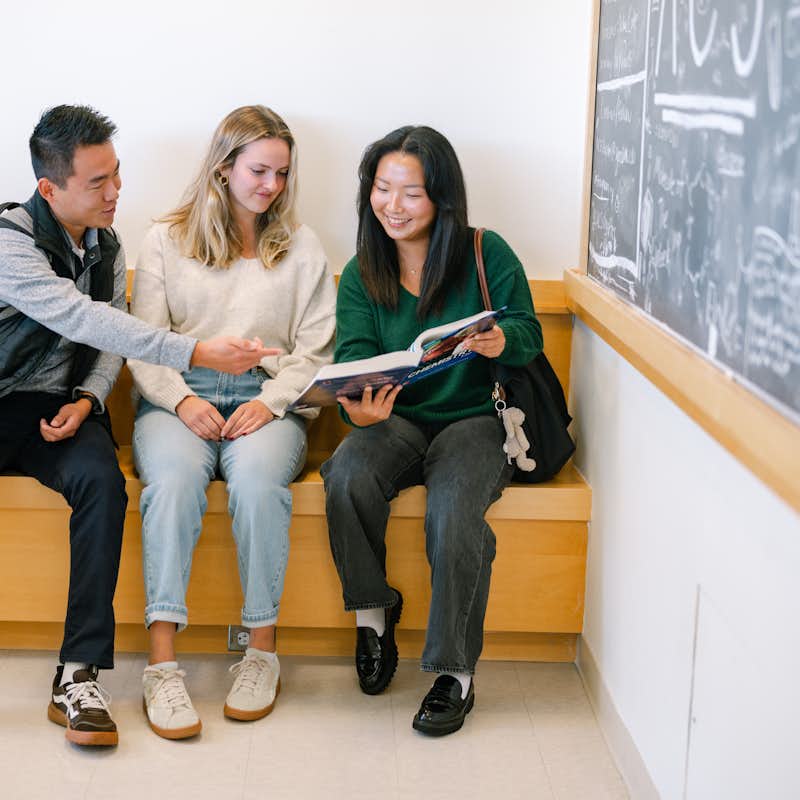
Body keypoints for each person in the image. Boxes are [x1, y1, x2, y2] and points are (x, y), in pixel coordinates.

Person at [0, 105, 274, 748]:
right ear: (49, 188)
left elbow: (107, 341)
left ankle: (78, 674)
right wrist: (198, 352)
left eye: (116, 176)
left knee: (103, 482)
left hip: (58, 406)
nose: (115, 192)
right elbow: (81, 318)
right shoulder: (10, 240)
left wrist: (92, 400)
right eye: (97, 182)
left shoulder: (107, 241)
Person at [321, 125, 543, 736]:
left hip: (476, 420)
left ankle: (454, 674)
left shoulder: (483, 251)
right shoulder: (362, 270)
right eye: (382, 189)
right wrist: (357, 411)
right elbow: (358, 357)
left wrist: (503, 338)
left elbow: (529, 330)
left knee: (453, 513)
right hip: (398, 420)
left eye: (411, 193)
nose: (393, 205)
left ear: (443, 199)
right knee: (345, 474)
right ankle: (373, 615)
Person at [128, 105, 336, 740]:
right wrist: (181, 400)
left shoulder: (301, 245)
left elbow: (317, 350)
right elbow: (145, 341)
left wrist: (270, 403)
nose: (269, 186)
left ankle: (260, 651)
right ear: (223, 167)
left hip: (266, 396)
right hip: (176, 394)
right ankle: (162, 666)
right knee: (172, 483)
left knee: (255, 485)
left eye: (280, 173)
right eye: (257, 170)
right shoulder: (165, 238)